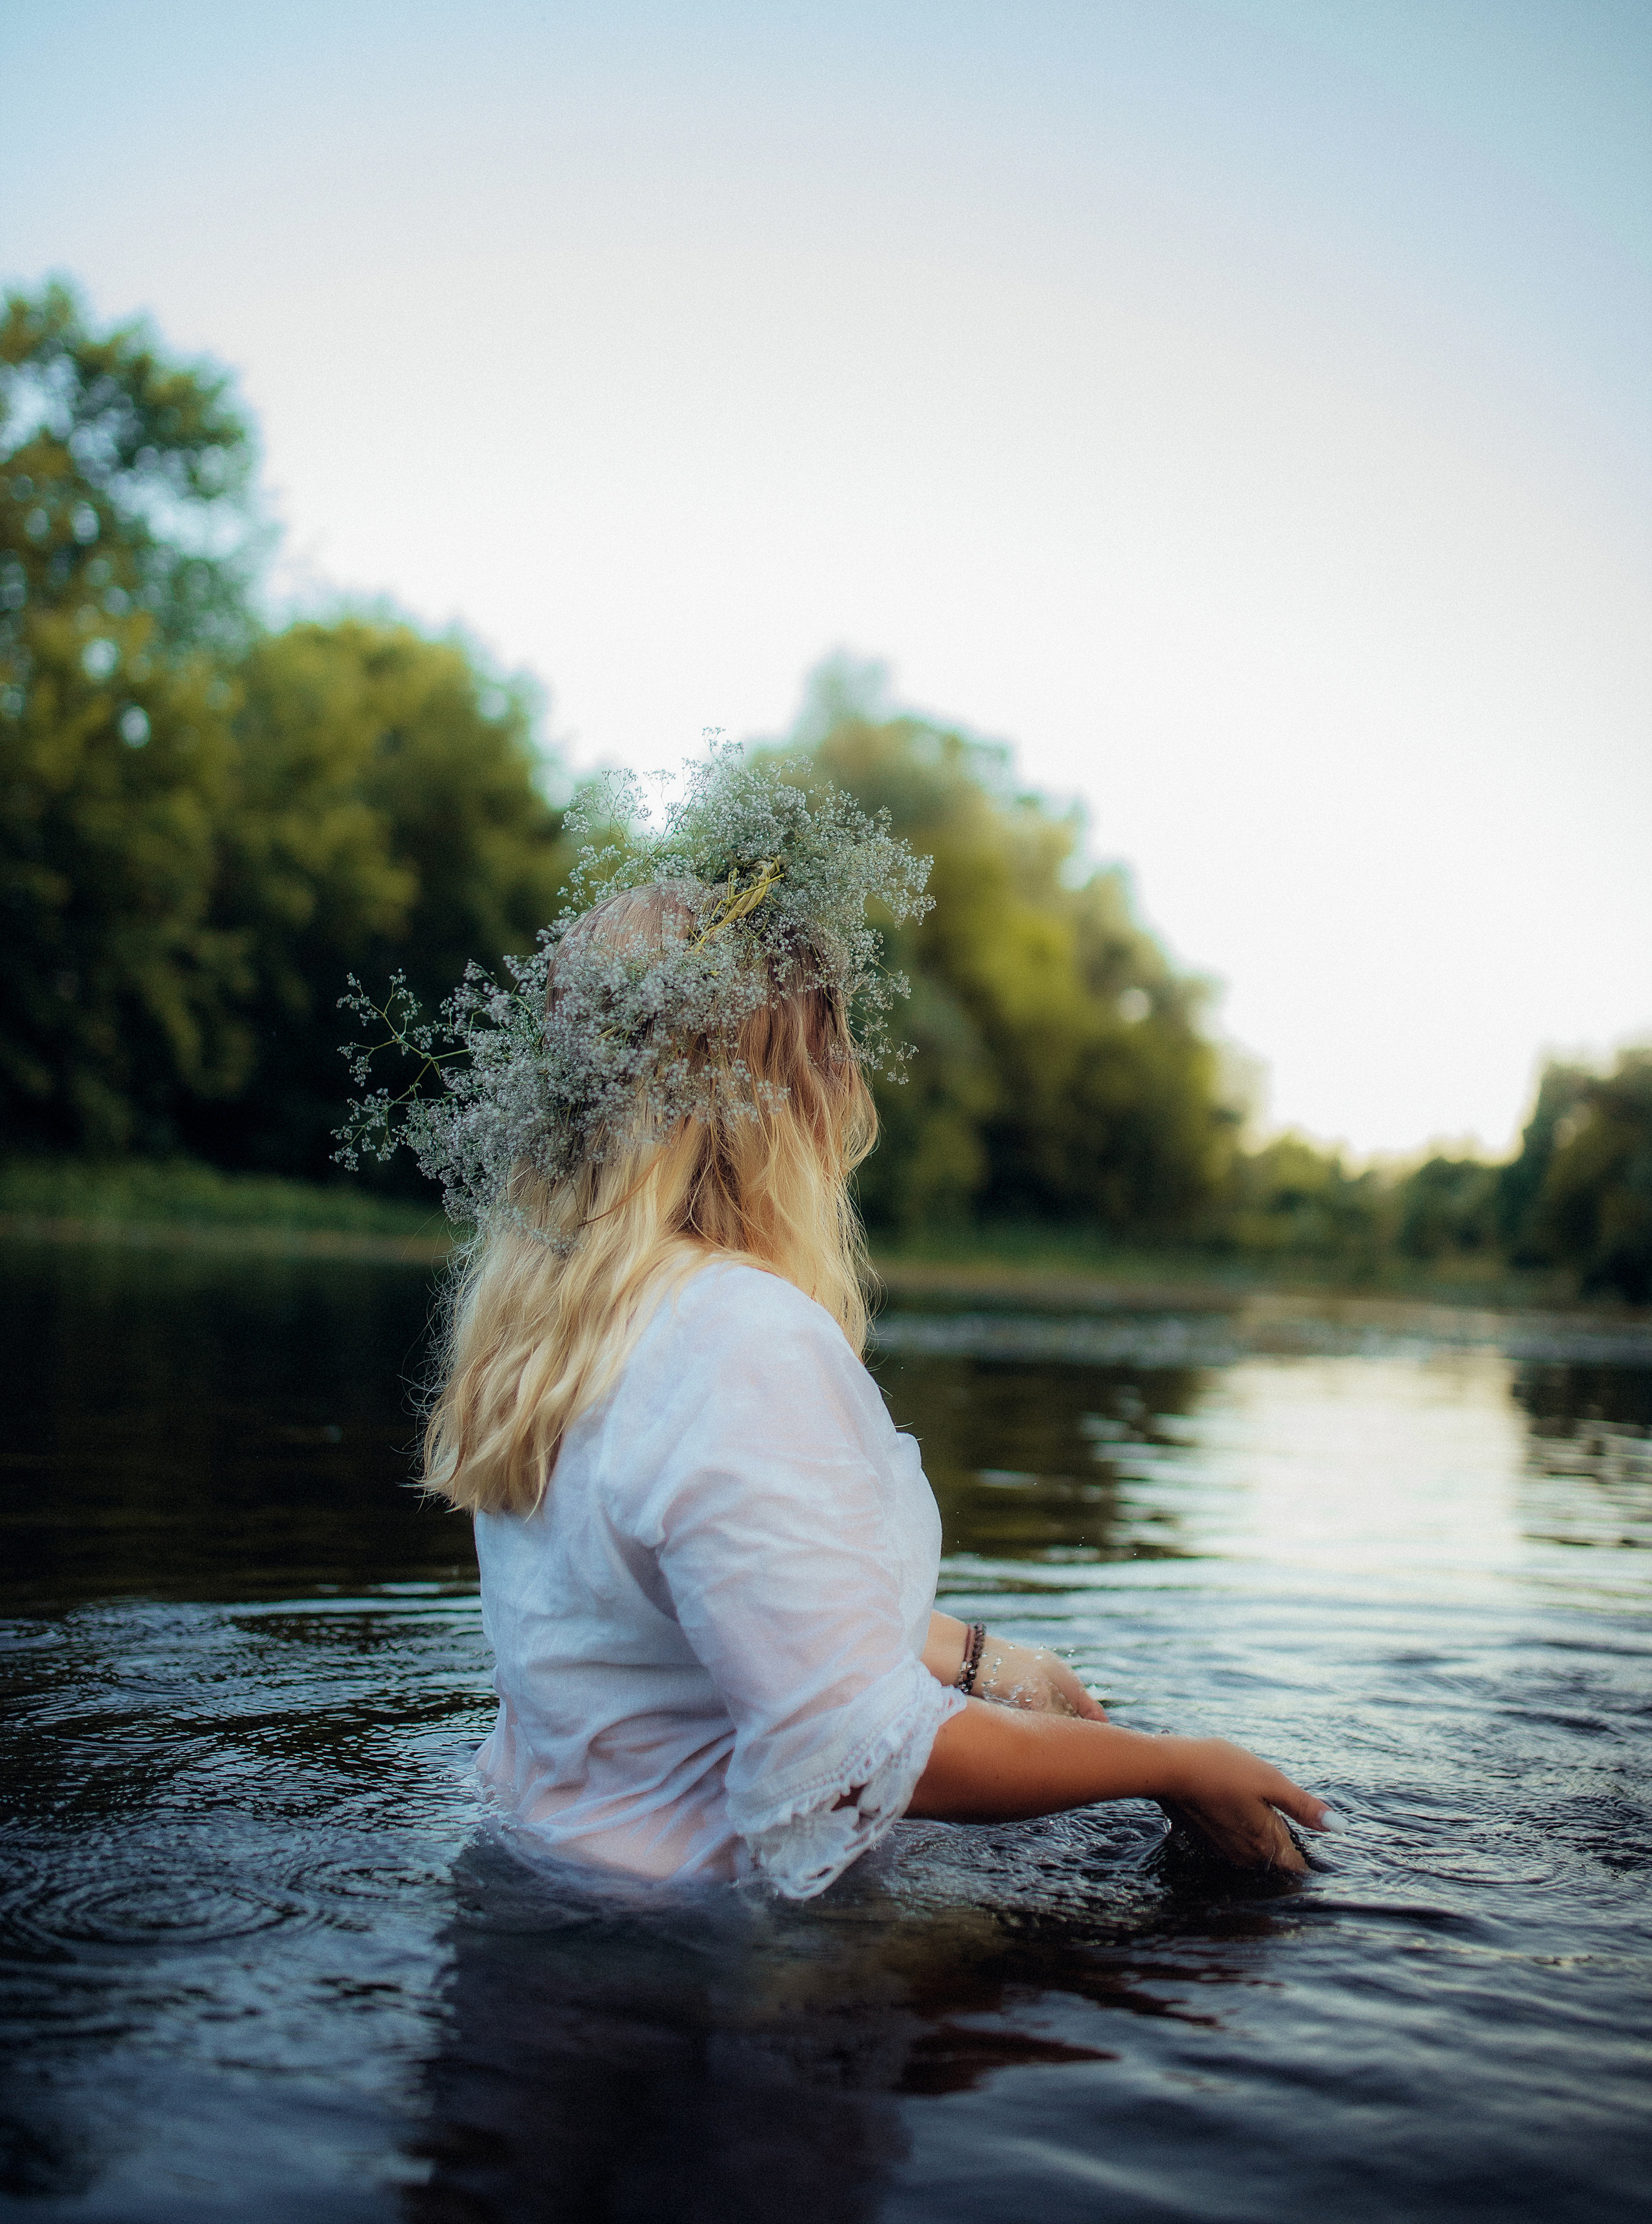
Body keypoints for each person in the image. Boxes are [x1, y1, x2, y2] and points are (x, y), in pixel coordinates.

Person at [353, 750, 1329, 1900]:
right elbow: (854, 1757)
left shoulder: (563, 1325)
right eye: (830, 1052)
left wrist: (984, 1662)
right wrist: (1171, 1768)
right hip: (695, 1952)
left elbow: (718, 1608)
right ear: (780, 1099)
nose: (848, 1085)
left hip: (529, 1893)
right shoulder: (738, 1336)